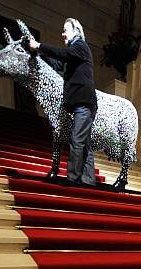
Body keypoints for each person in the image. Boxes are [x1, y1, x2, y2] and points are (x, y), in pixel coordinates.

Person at [28, 19, 97, 186]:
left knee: (76, 140)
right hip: (81, 104)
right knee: (85, 143)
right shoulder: (73, 55)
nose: (62, 34)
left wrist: (39, 46)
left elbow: (63, 55)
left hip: (84, 104)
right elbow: (58, 63)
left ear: (76, 32)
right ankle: (89, 181)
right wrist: (38, 54)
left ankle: (72, 179)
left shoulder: (80, 46)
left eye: (65, 30)